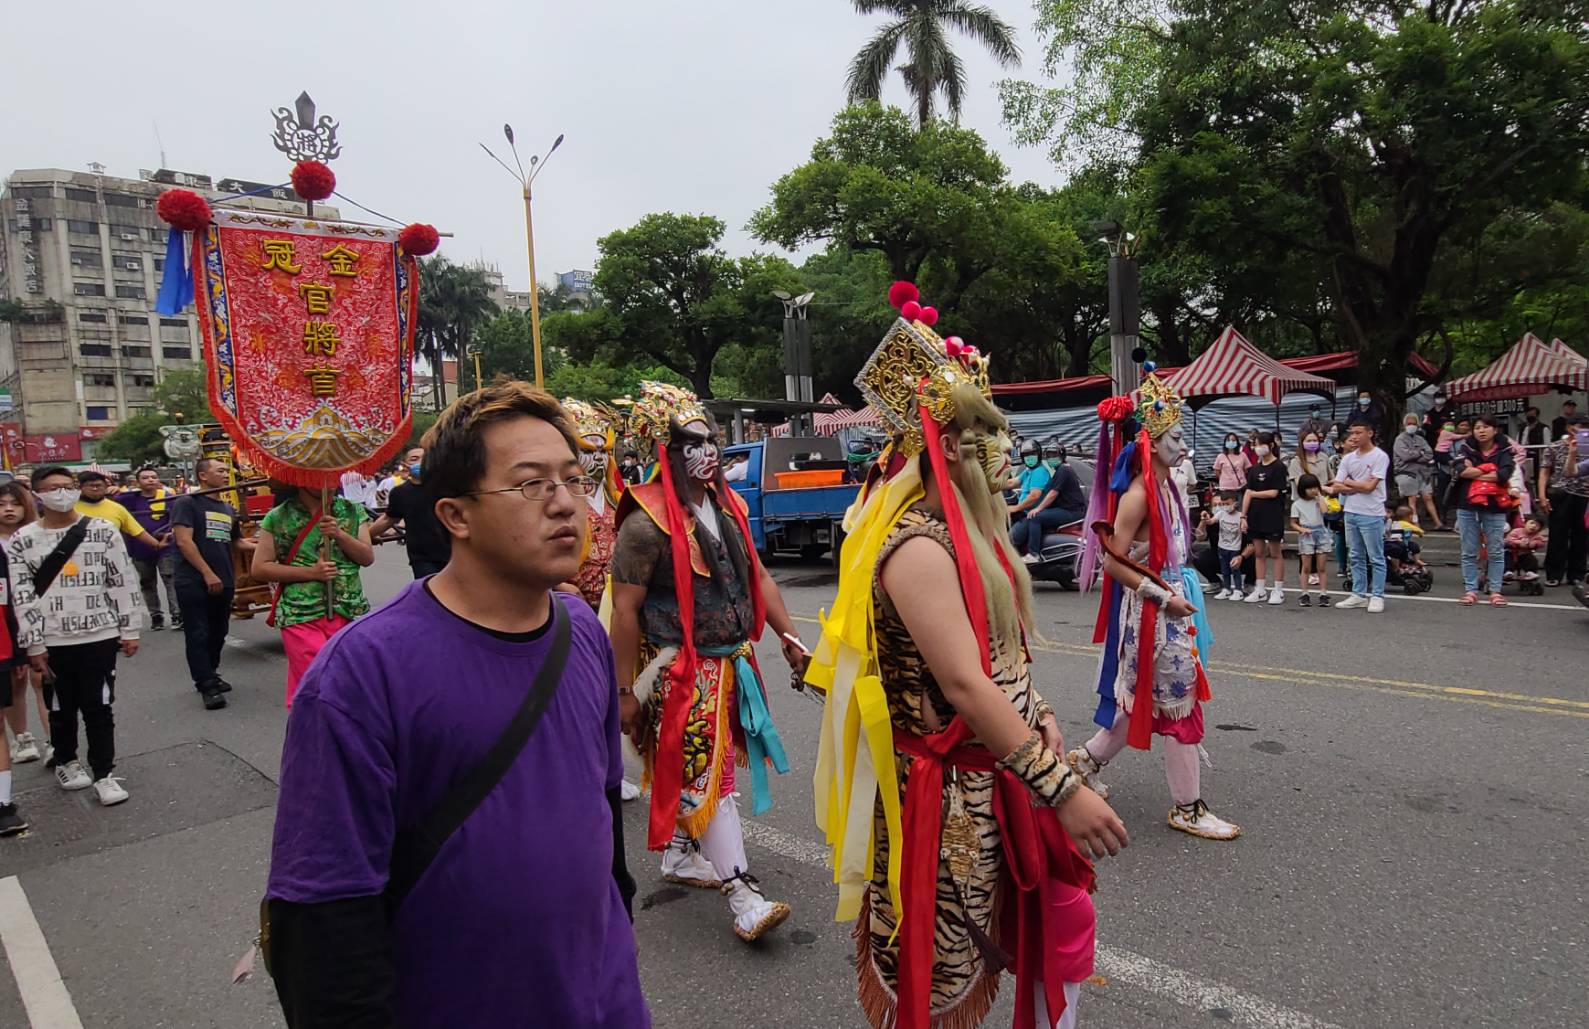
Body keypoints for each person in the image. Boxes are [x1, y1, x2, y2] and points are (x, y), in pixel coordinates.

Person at [265, 381, 647, 1029]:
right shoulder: (362, 673)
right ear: (454, 515)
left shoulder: (581, 628)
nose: (565, 504)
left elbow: (601, 824)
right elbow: (323, 918)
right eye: (531, 484)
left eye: (574, 479)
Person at [808, 301, 1121, 1029]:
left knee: (1049, 930)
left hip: (1000, 772)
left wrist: (1038, 711)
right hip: (945, 799)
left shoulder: (973, 534)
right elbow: (962, 682)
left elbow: (1003, 661)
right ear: (943, 444)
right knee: (941, 967)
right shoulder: (919, 546)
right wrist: (1061, 787)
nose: (1002, 446)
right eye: (982, 430)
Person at [609, 381, 803, 942]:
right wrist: (625, 691)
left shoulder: (729, 504)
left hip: (732, 661)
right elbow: (625, 612)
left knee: (707, 771)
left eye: (711, 437)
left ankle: (678, 854)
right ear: (665, 451)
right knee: (709, 777)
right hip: (679, 669)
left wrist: (790, 637)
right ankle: (743, 896)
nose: (708, 450)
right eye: (692, 441)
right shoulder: (643, 524)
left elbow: (757, 577)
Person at [1070, 370, 1240, 842]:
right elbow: (1111, 560)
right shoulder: (1141, 493)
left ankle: (1083, 763)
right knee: (1180, 707)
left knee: (1142, 701)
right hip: (1154, 614)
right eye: (1176, 435)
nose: (1183, 443)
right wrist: (1161, 596)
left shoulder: (1168, 485)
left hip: (1172, 604)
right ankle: (1187, 807)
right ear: (1151, 438)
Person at [7, 466, 142, 806]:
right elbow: (21, 596)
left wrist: (130, 629)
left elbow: (122, 581)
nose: (61, 493)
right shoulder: (23, 540)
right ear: (37, 494)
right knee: (60, 706)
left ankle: (104, 773)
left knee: (99, 705)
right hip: (51, 640)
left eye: (67, 486)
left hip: (99, 633)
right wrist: (33, 643)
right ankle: (67, 760)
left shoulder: (103, 531)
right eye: (52, 488)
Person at [250, 484, 375, 707]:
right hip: (301, 613)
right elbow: (260, 568)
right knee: (319, 683)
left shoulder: (353, 510)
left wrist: (339, 534)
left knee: (349, 682)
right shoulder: (278, 516)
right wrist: (311, 573)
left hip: (349, 609)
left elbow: (366, 557)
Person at [170, 458, 249, 711]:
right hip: (194, 580)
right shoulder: (186, 504)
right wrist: (207, 573)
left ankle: (210, 673)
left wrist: (266, 546)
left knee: (218, 631)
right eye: (221, 471)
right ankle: (206, 685)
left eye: (227, 471)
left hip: (224, 579)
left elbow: (236, 543)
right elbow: (184, 542)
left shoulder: (227, 509)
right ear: (203, 476)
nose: (227, 475)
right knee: (198, 632)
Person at [0, 482, 49, 767]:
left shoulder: (37, 535)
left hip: (39, 614)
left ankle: (55, 741)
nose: (8, 509)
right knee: (14, 682)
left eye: (15, 504)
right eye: (3, 504)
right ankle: (22, 737)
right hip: (5, 621)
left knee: (42, 678)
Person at [1449, 415, 1517, 606]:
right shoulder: (1466, 448)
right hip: (1467, 505)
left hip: (1495, 506)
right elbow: (1461, 471)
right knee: (1469, 551)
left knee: (1496, 550)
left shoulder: (1504, 450)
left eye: (1486, 427)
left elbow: (1503, 474)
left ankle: (1495, 590)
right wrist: (1488, 471)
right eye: (1478, 427)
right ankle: (1471, 590)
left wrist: (1475, 472)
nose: (1481, 431)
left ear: (1495, 430)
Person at [1327, 421, 1390, 612]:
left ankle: (1377, 595)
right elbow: (1337, 486)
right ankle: (1358, 594)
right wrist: (1356, 485)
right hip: (1351, 512)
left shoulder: (1380, 456)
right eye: (1352, 433)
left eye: (1358, 433)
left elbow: (1371, 487)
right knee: (1355, 555)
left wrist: (1349, 483)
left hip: (1371, 513)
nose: (1354, 437)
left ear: (1369, 433)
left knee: (1376, 556)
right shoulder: (1348, 459)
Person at [369, 446, 451, 579]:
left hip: (454, 556)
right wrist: (366, 537)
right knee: (428, 596)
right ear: (404, 465)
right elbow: (388, 519)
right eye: (414, 459)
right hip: (422, 558)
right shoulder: (400, 493)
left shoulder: (446, 487)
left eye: (425, 458)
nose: (421, 462)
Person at [0, 483, 31, 836]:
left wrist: (21, 649)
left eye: (13, 503)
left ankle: (4, 804)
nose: (8, 509)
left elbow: (7, 604)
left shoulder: (20, 545)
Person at [119, 467, 182, 631]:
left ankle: (177, 615)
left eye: (153, 477)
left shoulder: (168, 498)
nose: (150, 480)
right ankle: (156, 616)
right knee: (147, 583)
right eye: (145, 477)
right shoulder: (130, 499)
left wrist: (170, 533)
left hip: (166, 548)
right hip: (139, 548)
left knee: (171, 580)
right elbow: (112, 500)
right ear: (137, 482)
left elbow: (175, 519)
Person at [1012, 441, 1087, 562]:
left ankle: (1034, 554)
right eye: (1049, 456)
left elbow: (1053, 493)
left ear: (1062, 456)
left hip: (1071, 511)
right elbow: (1013, 482)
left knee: (1035, 517)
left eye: (1055, 455)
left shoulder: (1064, 470)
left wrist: (1038, 509)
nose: (1052, 458)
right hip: (1068, 510)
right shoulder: (1058, 470)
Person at [1538, 414, 1588, 587]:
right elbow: (1544, 472)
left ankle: (1577, 574)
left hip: (1584, 494)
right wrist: (1542, 495)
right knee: (1557, 534)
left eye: (1584, 427)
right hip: (1559, 493)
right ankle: (1554, 573)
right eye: (1577, 426)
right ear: (1569, 427)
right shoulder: (1554, 447)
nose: (1580, 430)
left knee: (1581, 535)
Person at [1241, 430, 1288, 604]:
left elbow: (1274, 492)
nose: (1258, 448)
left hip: (1272, 515)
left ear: (1271, 446)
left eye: (1261, 444)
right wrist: (1243, 516)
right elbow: (1247, 492)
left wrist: (1255, 494)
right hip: (1255, 515)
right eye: (1256, 444)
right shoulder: (1254, 469)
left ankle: (1278, 590)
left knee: (1275, 552)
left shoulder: (1279, 467)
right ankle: (1260, 589)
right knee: (1259, 552)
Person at [1290, 474, 1331, 607]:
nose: (1313, 490)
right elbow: (1293, 523)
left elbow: (1325, 511)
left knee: (1322, 567)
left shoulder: (1319, 500)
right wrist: (1302, 530)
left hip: (1321, 532)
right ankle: (1304, 593)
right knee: (1306, 567)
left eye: (1315, 487)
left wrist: (1319, 497)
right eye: (1310, 488)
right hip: (1306, 533)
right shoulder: (1297, 504)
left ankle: (1323, 593)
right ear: (1302, 489)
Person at [1393, 413, 1440, 528]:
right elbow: (1405, 456)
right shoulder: (1400, 439)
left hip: (1423, 473)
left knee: (1428, 497)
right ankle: (1415, 523)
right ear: (1404, 425)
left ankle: (1438, 523)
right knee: (1412, 499)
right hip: (1406, 473)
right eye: (1409, 424)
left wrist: (1414, 455)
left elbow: (1429, 454)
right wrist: (1420, 453)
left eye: (1414, 424)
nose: (1412, 426)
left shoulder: (1420, 439)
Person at [1201, 490, 1246, 600]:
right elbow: (1211, 521)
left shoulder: (1240, 517)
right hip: (1222, 548)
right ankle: (1226, 589)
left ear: (1235, 503)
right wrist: (1206, 518)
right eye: (1223, 504)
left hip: (1235, 548)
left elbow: (1245, 530)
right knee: (1225, 570)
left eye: (1227, 504)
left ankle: (1238, 590)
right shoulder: (1220, 514)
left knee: (1235, 570)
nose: (1225, 506)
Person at [1006, 438, 1052, 532]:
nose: (1029, 457)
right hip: (1023, 513)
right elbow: (1012, 482)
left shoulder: (1039, 472)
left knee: (1011, 539)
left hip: (1030, 515)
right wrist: (991, 485)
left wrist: (1015, 508)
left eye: (1032, 454)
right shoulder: (1029, 471)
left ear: (1038, 454)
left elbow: (1034, 496)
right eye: (1026, 455)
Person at [1505, 514, 1547, 584]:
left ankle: (1530, 572)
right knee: (1506, 559)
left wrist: (1533, 543)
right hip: (1512, 552)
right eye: (1532, 523)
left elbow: (1542, 542)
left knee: (1532, 560)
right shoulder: (1517, 531)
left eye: (1537, 525)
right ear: (1525, 523)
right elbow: (1508, 539)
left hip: (1524, 554)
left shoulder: (1536, 535)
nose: (1533, 526)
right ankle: (1507, 572)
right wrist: (1518, 542)